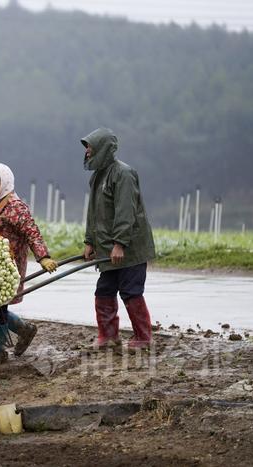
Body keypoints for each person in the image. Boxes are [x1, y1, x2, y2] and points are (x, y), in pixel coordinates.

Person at [0, 163, 57, 364]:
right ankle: (24, 329)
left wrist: (43, 257)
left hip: (8, 266)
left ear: (4, 183)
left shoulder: (15, 207)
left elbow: (32, 232)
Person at [81, 127, 156, 351]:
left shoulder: (123, 174)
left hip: (129, 248)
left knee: (131, 291)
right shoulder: (97, 177)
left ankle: (144, 338)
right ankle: (109, 336)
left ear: (104, 149)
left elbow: (126, 212)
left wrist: (119, 243)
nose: (87, 152)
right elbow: (93, 213)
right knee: (103, 291)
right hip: (107, 249)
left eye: (91, 148)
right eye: (87, 149)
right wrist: (90, 241)